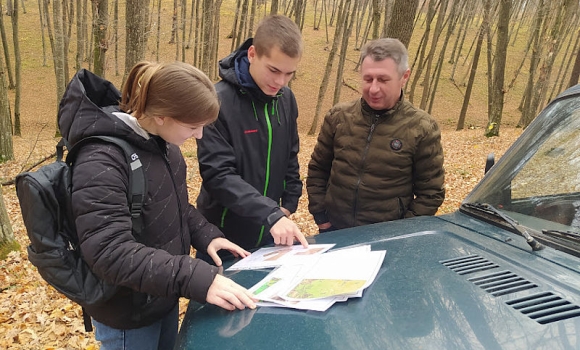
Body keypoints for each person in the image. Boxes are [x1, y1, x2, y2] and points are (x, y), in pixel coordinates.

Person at [58, 61, 257, 350]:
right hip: (128, 313)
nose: (199, 135)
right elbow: (108, 252)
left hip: (161, 293)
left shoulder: (162, 145)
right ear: (162, 116)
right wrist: (194, 276)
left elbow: (174, 205)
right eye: (193, 126)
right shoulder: (101, 159)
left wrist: (208, 235)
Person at [306, 38, 445, 232]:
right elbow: (318, 170)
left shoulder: (422, 128)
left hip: (386, 239)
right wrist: (321, 216)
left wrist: (400, 232)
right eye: (368, 79)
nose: (373, 89)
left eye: (383, 79)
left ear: (404, 77)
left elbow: (430, 193)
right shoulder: (338, 117)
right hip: (334, 231)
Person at [196, 15, 309, 252]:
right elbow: (218, 175)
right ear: (252, 54)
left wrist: (288, 204)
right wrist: (270, 213)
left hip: (272, 234)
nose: (280, 81)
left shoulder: (286, 99)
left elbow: (291, 155)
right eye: (274, 70)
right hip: (225, 236)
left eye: (289, 74)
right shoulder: (217, 102)